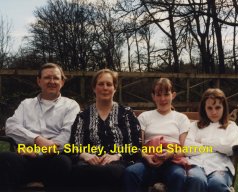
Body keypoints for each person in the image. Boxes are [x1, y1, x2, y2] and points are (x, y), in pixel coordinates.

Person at [0, 63, 80, 191]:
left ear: (62, 82)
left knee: (62, 163)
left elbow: (67, 136)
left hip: (54, 158)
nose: (52, 81)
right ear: (39, 81)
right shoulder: (26, 104)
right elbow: (11, 126)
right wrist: (36, 139)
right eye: (47, 77)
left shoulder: (71, 105)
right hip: (25, 156)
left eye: (56, 78)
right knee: (5, 158)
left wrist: (39, 152)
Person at [69, 69, 141, 191]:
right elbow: (73, 146)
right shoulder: (83, 115)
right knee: (79, 171)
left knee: (110, 171)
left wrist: (117, 156)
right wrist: (84, 155)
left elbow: (136, 145)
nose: (105, 88)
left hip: (118, 163)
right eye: (101, 84)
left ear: (115, 88)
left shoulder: (127, 114)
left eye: (109, 84)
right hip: (89, 163)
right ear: (94, 88)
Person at [124, 78, 190, 192]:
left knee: (179, 176)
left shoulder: (181, 118)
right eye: (158, 95)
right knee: (131, 172)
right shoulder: (144, 117)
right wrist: (146, 156)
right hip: (148, 161)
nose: (163, 99)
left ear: (173, 95)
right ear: (153, 96)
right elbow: (137, 145)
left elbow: (185, 148)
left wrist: (170, 154)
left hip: (172, 162)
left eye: (166, 94)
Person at [184, 88, 238, 192]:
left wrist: (203, 141)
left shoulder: (231, 127)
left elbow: (229, 148)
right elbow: (187, 147)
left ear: (224, 107)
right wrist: (217, 147)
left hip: (220, 167)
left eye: (218, 107)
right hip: (196, 165)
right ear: (204, 108)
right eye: (209, 108)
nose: (214, 112)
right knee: (196, 180)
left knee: (217, 184)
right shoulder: (194, 126)